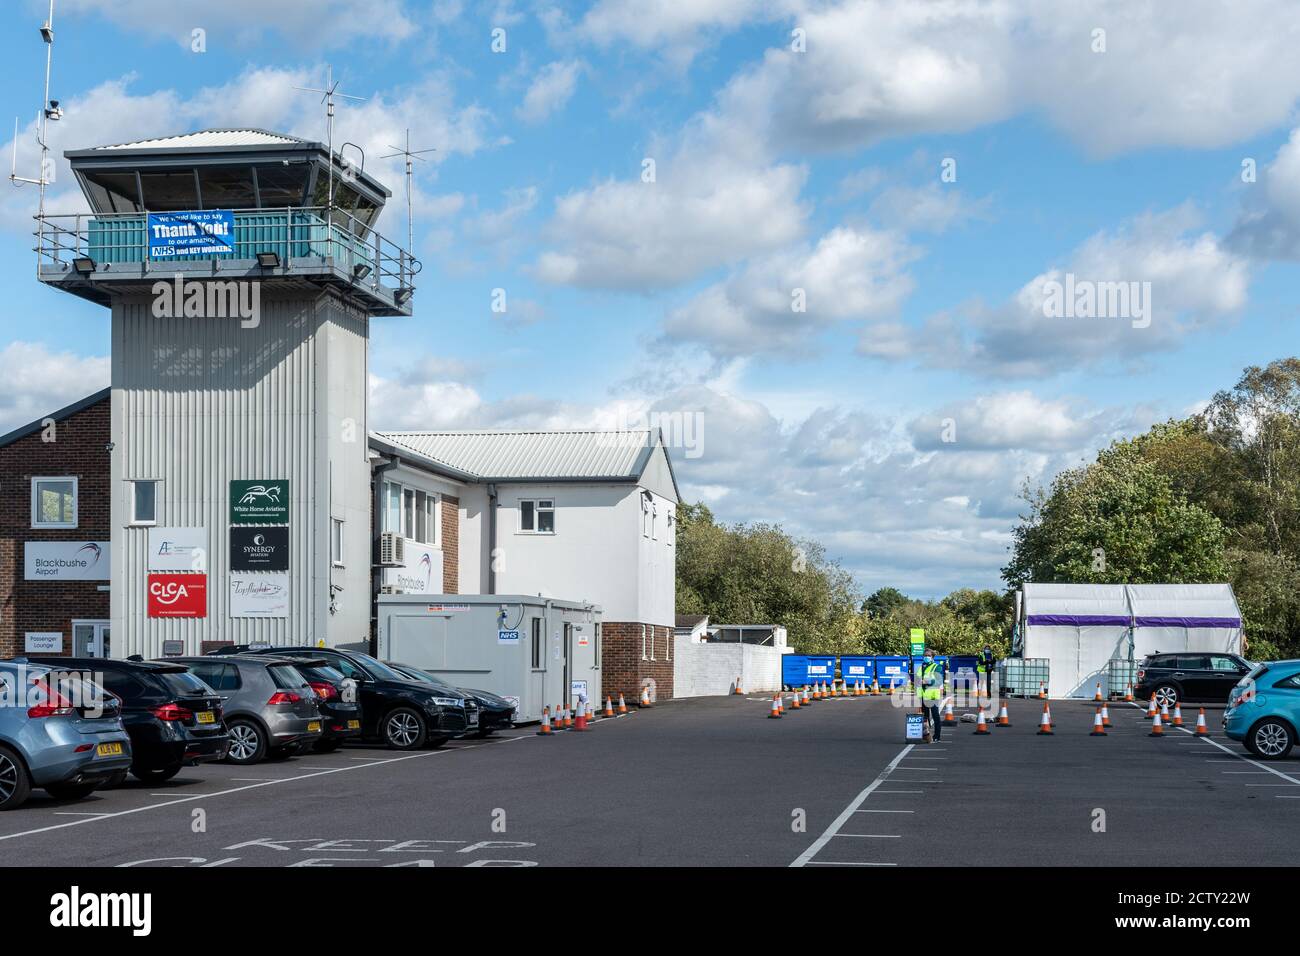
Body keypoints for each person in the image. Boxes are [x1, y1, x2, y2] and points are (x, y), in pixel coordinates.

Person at [919, 650, 945, 741]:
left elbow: (939, 681)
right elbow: (918, 680)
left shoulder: (937, 667)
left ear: (932, 657)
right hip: (923, 695)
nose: (926, 657)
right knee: (925, 717)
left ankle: (937, 736)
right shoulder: (922, 666)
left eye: (928, 655)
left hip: (933, 695)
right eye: (925, 655)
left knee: (935, 716)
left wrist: (928, 682)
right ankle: (926, 735)